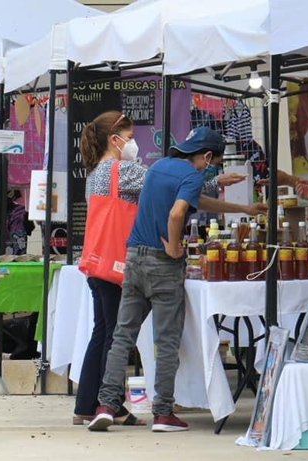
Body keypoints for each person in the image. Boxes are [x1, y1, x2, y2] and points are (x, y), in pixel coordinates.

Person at [88, 126, 267, 433]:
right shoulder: (192, 174)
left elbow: (195, 199)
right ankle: (162, 412)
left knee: (122, 335)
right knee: (167, 340)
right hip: (162, 263)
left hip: (133, 256)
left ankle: (105, 405)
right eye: (215, 162)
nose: (213, 168)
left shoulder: (158, 167)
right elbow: (177, 213)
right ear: (207, 156)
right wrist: (173, 245)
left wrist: (243, 209)